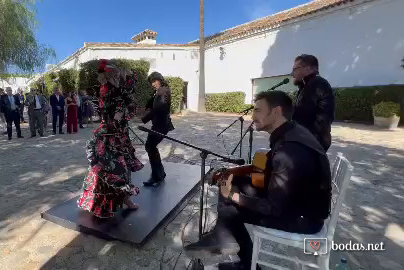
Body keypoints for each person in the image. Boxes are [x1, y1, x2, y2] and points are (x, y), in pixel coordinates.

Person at [184, 91, 332, 270]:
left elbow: (273, 208)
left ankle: (234, 249)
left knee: (232, 206)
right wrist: (234, 180)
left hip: (304, 218)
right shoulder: (291, 131)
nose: (253, 116)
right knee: (233, 183)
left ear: (276, 112)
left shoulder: (289, 150)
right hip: (295, 201)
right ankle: (227, 240)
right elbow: (272, 175)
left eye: (258, 110)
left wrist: (233, 196)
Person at [77, 59, 144, 218]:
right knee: (110, 168)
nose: (118, 76)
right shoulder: (106, 89)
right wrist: (114, 122)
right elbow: (118, 108)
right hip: (110, 133)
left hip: (116, 132)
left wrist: (115, 122)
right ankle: (104, 204)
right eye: (115, 74)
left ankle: (125, 199)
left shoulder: (114, 89)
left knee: (121, 166)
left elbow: (124, 104)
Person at [291, 54, 335, 152]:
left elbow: (303, 115)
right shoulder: (307, 85)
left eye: (295, 69)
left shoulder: (316, 84)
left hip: (313, 141)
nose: (292, 73)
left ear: (307, 69)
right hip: (310, 139)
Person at [141, 71, 174, 187]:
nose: (153, 84)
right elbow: (152, 106)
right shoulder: (159, 91)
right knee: (150, 146)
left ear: (160, 79)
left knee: (150, 146)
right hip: (159, 124)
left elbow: (158, 109)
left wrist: (144, 118)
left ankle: (156, 176)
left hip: (161, 125)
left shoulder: (163, 91)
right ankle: (159, 174)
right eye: (152, 82)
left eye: (155, 81)